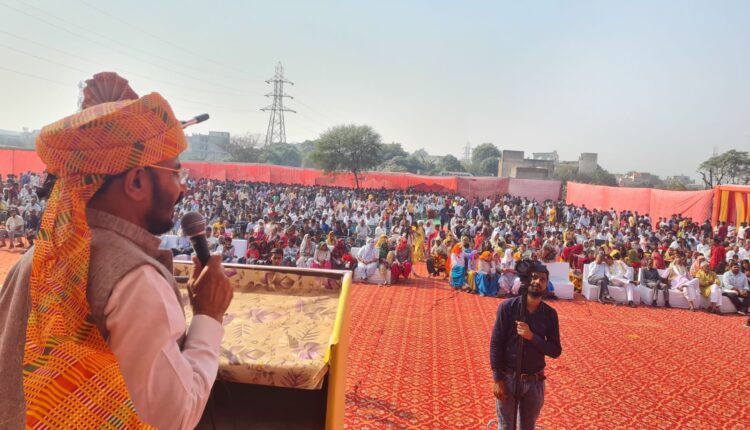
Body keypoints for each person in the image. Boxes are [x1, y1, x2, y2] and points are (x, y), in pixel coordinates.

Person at [0, 82, 233, 429]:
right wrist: (209, 316)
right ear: (136, 182)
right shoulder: (135, 279)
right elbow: (175, 416)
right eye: (176, 172)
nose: (182, 187)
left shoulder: (40, 255)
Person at [490, 262, 561, 430]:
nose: (537, 282)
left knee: (528, 427)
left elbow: (555, 350)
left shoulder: (550, 314)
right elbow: (496, 344)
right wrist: (498, 379)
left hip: (535, 381)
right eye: (534, 277)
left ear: (546, 284)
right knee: (506, 426)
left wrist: (532, 337)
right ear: (526, 279)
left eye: (542, 279)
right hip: (508, 378)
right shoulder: (508, 308)